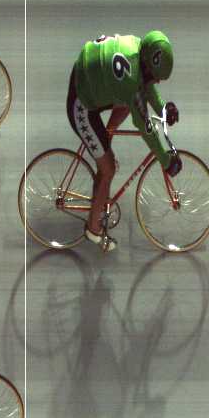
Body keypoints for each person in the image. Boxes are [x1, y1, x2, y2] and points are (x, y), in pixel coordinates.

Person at [69, 30, 181, 252]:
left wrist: (162, 108)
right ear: (148, 66)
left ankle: (104, 145)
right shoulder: (131, 80)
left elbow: (145, 86)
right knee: (108, 170)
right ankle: (93, 230)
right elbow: (144, 126)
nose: (158, 81)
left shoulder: (138, 49)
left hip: (89, 77)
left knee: (127, 103)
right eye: (157, 76)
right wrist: (165, 160)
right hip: (81, 104)